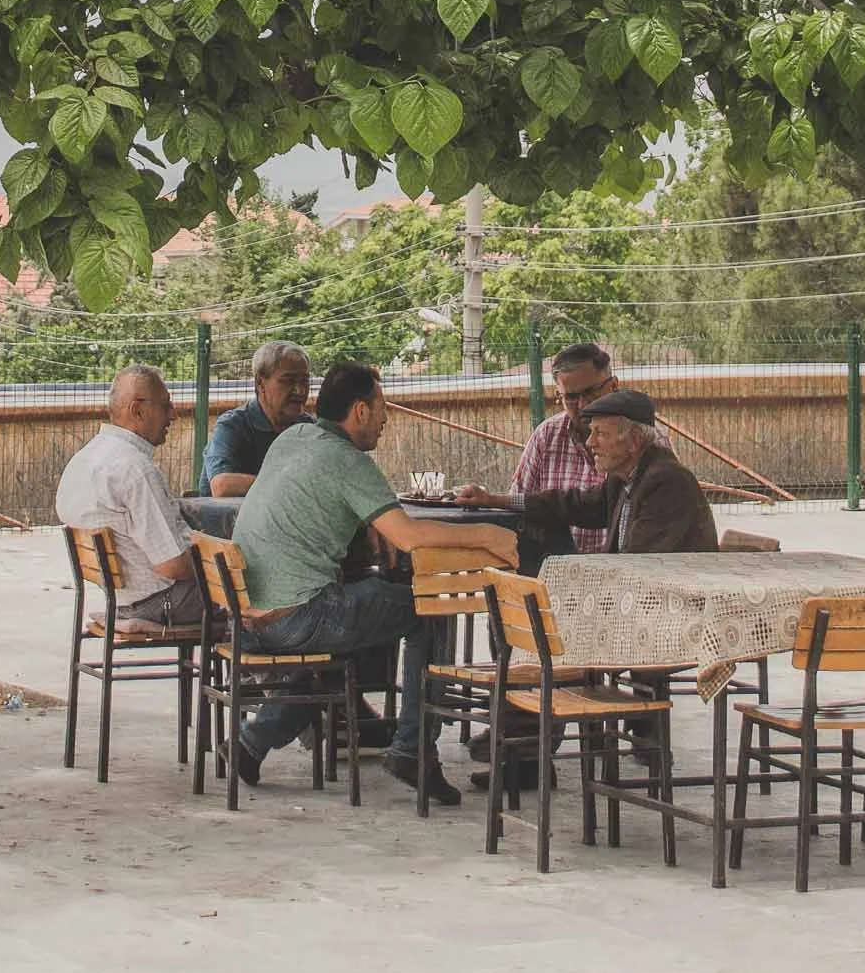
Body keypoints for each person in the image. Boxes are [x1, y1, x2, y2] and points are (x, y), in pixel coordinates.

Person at [230, 359, 516, 806]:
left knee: (365, 620)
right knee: (426, 607)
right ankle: (414, 748)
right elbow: (409, 536)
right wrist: (490, 534)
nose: (385, 420)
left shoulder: (294, 437)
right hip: (298, 617)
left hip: (248, 616)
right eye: (382, 408)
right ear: (360, 410)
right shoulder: (347, 461)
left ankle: (252, 742)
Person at [458, 388, 716, 562]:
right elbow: (571, 504)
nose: (591, 442)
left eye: (601, 433)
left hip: (675, 612)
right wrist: (494, 500)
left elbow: (640, 563)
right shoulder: (624, 478)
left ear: (635, 440)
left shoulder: (666, 483)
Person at [55, 365, 201, 626]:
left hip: (120, 600)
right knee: (262, 593)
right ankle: (263, 665)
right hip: (160, 603)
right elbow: (173, 565)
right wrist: (220, 564)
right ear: (137, 410)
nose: (173, 416)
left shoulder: (85, 457)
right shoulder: (135, 469)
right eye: (166, 406)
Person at [512, 341, 615, 550]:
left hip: (624, 574)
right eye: (572, 397)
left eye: (591, 392)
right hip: (553, 571)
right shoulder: (546, 436)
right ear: (559, 397)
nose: (584, 405)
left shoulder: (641, 439)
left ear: (613, 386)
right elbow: (517, 509)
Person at [198, 340, 311, 494]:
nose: (300, 390)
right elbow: (222, 486)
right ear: (260, 383)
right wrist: (292, 485)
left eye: (305, 381)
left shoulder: (310, 428)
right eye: (288, 381)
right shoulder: (233, 425)